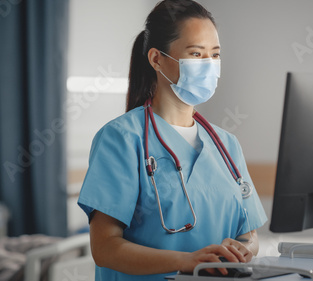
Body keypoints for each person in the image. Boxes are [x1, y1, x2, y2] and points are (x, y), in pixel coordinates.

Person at [77, 0, 267, 280]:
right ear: (156, 59)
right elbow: (105, 248)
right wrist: (187, 261)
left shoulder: (226, 145)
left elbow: (250, 235)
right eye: (196, 54)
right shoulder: (121, 139)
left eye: (215, 55)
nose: (209, 65)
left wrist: (242, 249)